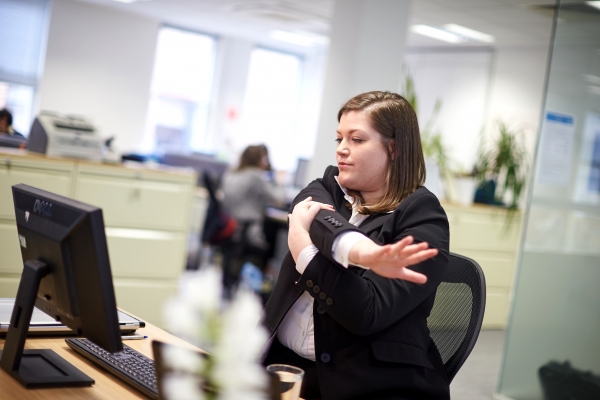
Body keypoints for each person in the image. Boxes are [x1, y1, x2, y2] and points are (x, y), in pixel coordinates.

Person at [262, 91, 450, 399]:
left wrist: (305, 251)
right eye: (339, 139)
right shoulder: (329, 185)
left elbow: (367, 312)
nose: (342, 151)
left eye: (357, 140)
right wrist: (362, 251)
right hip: (280, 366)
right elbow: (319, 221)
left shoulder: (422, 219)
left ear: (395, 148)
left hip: (363, 384)